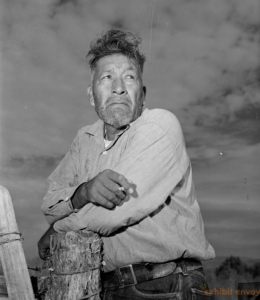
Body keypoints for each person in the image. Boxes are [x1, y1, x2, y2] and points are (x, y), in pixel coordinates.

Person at [38, 29, 215, 299]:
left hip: (166, 285)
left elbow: (112, 214)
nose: (118, 87)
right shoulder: (83, 140)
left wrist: (57, 230)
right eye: (107, 77)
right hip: (104, 287)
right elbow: (49, 205)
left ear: (142, 94)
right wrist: (83, 191)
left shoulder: (160, 126)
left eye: (129, 77)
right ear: (91, 95)